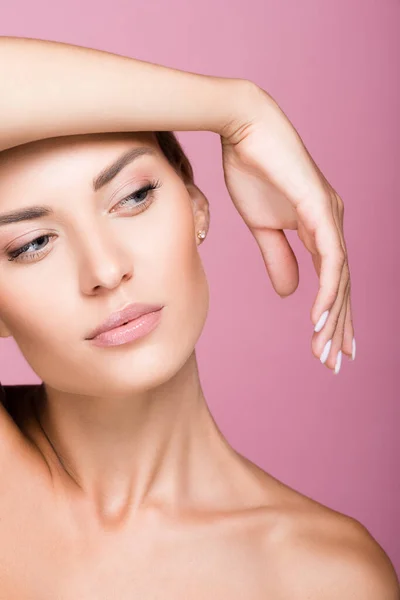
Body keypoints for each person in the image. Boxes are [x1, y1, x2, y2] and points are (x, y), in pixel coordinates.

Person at [0, 36, 398, 598]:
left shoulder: (325, 576)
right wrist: (237, 111)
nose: (106, 270)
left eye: (134, 198)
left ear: (197, 208)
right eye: (33, 243)